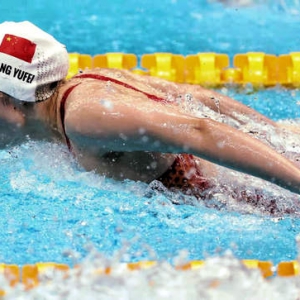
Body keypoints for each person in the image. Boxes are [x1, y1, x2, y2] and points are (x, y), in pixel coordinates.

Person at [0, 21, 299, 210]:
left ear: (9, 99)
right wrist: (279, 135)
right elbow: (191, 94)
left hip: (249, 187)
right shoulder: (84, 83)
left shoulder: (85, 117)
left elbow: (201, 132)